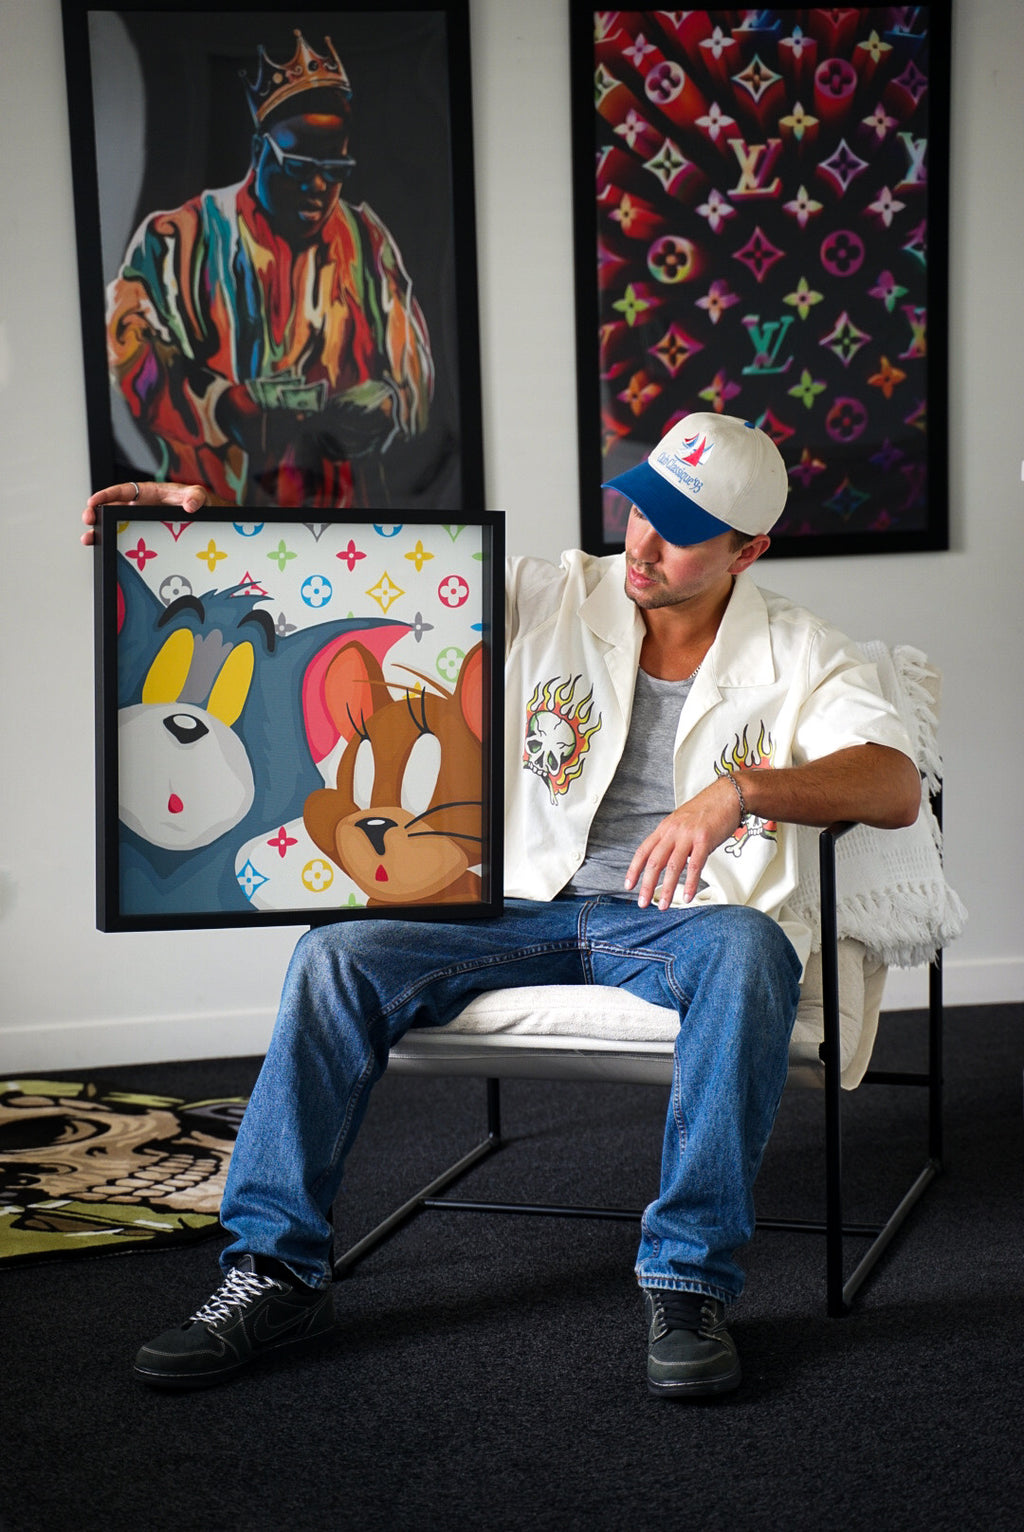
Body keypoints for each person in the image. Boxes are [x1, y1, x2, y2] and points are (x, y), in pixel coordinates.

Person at [82, 414, 921, 1397]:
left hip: (676, 920)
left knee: (747, 950)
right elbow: (371, 568)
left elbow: (891, 781)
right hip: (507, 905)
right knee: (335, 952)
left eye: (682, 529)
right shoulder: (545, 589)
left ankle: (687, 1280)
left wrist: (739, 791)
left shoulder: (803, 650)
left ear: (749, 549)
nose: (642, 544)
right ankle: (274, 1269)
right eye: (641, 509)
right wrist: (213, 523)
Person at [106, 30, 433, 510]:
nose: (319, 186)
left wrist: (388, 406)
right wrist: (221, 407)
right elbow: (125, 349)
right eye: (300, 166)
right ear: (260, 152)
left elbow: (417, 375)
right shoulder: (179, 238)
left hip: (344, 531)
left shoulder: (365, 240)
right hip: (210, 520)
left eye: (335, 169)